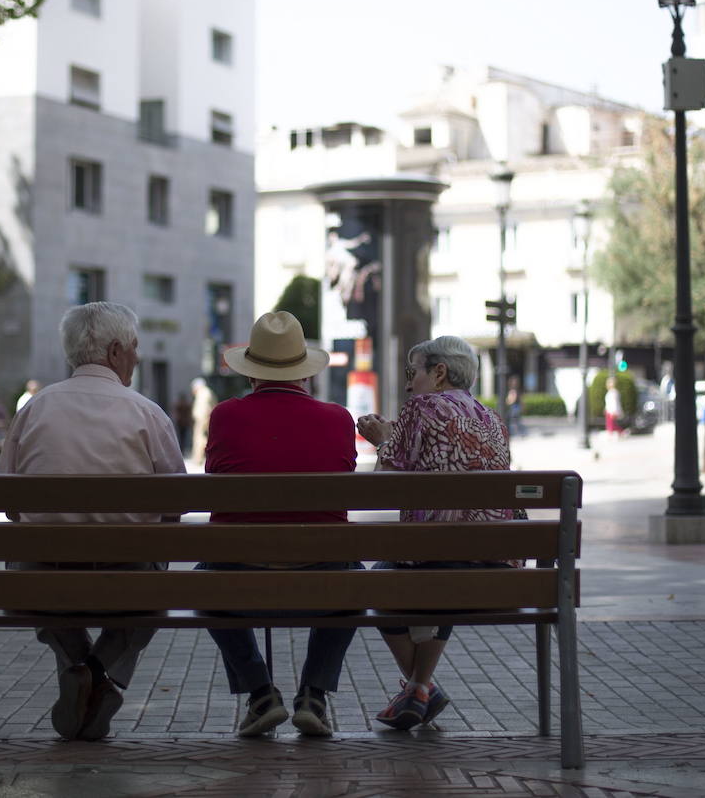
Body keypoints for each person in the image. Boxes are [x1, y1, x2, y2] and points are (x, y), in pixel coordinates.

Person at [0, 302, 185, 741]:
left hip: (42, 582)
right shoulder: (147, 413)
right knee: (155, 583)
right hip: (128, 581)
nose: (137, 356)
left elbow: (7, 503)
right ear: (116, 351)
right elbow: (177, 504)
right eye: (135, 348)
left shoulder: (34, 409)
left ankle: (79, 670)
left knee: (26, 566)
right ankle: (99, 672)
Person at [200, 310, 358, 738]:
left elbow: (215, 475)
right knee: (356, 580)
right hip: (323, 580)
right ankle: (313, 695)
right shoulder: (338, 419)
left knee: (201, 581)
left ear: (251, 373)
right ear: (303, 373)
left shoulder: (225, 416)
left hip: (238, 579)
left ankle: (260, 694)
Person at [356, 335, 518, 731]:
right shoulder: (490, 416)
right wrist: (400, 435)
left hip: (440, 554)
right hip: (498, 561)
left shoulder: (421, 407)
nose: (410, 384)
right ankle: (420, 689)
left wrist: (382, 442)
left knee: (374, 582)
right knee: (438, 572)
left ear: (439, 372)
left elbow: (386, 484)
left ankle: (420, 686)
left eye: (414, 373)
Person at [189, 376, 216, 464]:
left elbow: (204, 408)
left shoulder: (203, 393)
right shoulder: (207, 392)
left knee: (199, 438)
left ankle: (198, 458)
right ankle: (199, 457)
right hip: (204, 418)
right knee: (203, 438)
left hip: (202, 418)